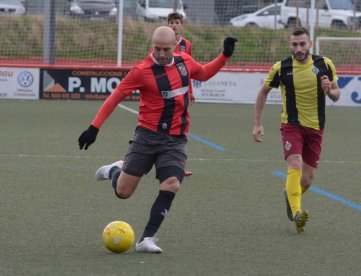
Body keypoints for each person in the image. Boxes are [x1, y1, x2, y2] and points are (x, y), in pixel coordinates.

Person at [78, 26, 237, 253]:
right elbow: (115, 97)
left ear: (175, 45)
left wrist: (225, 56)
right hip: (146, 137)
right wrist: (94, 128)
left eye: (166, 49)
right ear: (152, 46)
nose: (161, 54)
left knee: (172, 183)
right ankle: (114, 170)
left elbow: (204, 73)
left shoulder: (185, 62)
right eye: (157, 49)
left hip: (175, 140)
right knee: (123, 192)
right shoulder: (141, 71)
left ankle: (146, 239)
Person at [252, 27, 340, 234]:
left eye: (302, 44)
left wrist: (329, 91)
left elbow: (336, 94)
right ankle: (298, 213)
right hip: (291, 125)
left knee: (308, 180)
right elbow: (263, 93)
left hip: (316, 127)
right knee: (295, 163)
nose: (299, 48)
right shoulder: (281, 68)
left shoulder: (324, 64)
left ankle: (290, 196)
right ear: (290, 45)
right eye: (294, 44)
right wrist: (258, 123)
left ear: (310, 44)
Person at [167, 11, 194, 176]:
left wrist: (190, 90)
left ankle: (178, 165)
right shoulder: (162, 41)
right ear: (168, 25)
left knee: (181, 126)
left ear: (181, 25)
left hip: (181, 93)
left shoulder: (186, 45)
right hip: (166, 92)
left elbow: (189, 69)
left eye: (177, 22)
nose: (175, 25)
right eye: (172, 22)